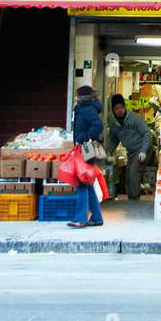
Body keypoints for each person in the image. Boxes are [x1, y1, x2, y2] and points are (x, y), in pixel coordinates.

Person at [68, 85, 104, 228]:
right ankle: (96, 217)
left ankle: (80, 218)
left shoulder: (87, 108)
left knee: (82, 182)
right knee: (87, 183)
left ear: (81, 97)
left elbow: (98, 125)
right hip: (83, 149)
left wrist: (85, 139)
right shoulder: (83, 108)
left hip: (84, 149)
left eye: (77, 96)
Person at [106, 93, 152, 202]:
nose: (120, 110)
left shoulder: (135, 118)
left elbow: (146, 133)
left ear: (125, 107)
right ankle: (132, 197)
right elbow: (114, 139)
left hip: (142, 149)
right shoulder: (113, 123)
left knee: (133, 171)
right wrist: (108, 151)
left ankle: (133, 200)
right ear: (113, 110)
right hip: (131, 152)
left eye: (122, 107)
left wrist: (143, 151)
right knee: (128, 176)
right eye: (116, 108)